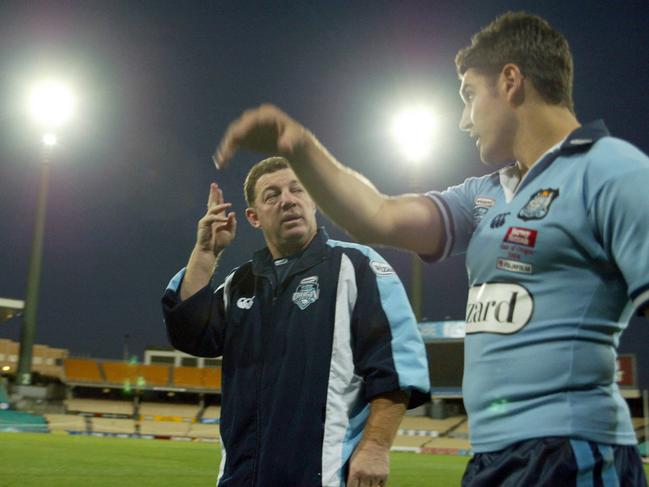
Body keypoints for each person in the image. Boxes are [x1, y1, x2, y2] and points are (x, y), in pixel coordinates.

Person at [214, 11, 649, 487]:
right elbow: (376, 215)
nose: (463, 120)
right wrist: (296, 145)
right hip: (493, 458)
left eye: (468, 95)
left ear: (510, 81)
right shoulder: (485, 195)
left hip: (575, 452)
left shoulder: (612, 170)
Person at [162, 156, 430, 487]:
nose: (287, 199)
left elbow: (397, 365)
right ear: (254, 217)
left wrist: (375, 447)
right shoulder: (240, 284)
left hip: (324, 476)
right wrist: (205, 251)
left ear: (312, 200)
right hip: (240, 478)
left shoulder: (357, 267)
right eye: (272, 195)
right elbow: (190, 334)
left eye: (297, 189)